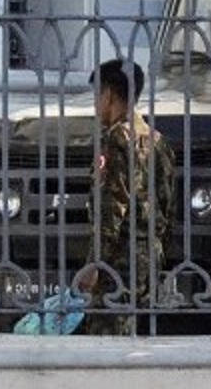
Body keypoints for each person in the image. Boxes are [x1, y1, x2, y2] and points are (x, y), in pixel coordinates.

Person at [80, 58, 175, 335]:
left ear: (108, 95)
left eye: (97, 96)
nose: (96, 105)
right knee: (140, 337)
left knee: (106, 339)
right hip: (149, 259)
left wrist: (95, 263)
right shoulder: (158, 141)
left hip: (118, 260)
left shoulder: (115, 139)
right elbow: (169, 208)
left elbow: (111, 208)